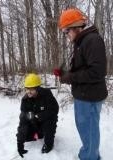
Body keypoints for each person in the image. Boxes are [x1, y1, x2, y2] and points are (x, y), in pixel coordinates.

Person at [54, 8, 108, 160]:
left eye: (66, 31)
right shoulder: (82, 41)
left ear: (76, 27)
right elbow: (83, 68)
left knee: (88, 129)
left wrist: (70, 77)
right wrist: (65, 73)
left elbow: (97, 72)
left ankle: (90, 156)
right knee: (85, 128)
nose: (66, 35)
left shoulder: (92, 40)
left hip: (89, 96)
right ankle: (88, 152)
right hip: (84, 94)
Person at [16, 73, 59, 158]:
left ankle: (49, 144)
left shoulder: (47, 95)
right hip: (34, 122)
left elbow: (54, 110)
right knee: (26, 135)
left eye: (31, 89)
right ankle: (38, 133)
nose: (28, 91)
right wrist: (20, 143)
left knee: (48, 124)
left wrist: (39, 116)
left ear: (37, 88)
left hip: (47, 120)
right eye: (27, 89)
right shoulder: (25, 100)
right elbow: (23, 121)